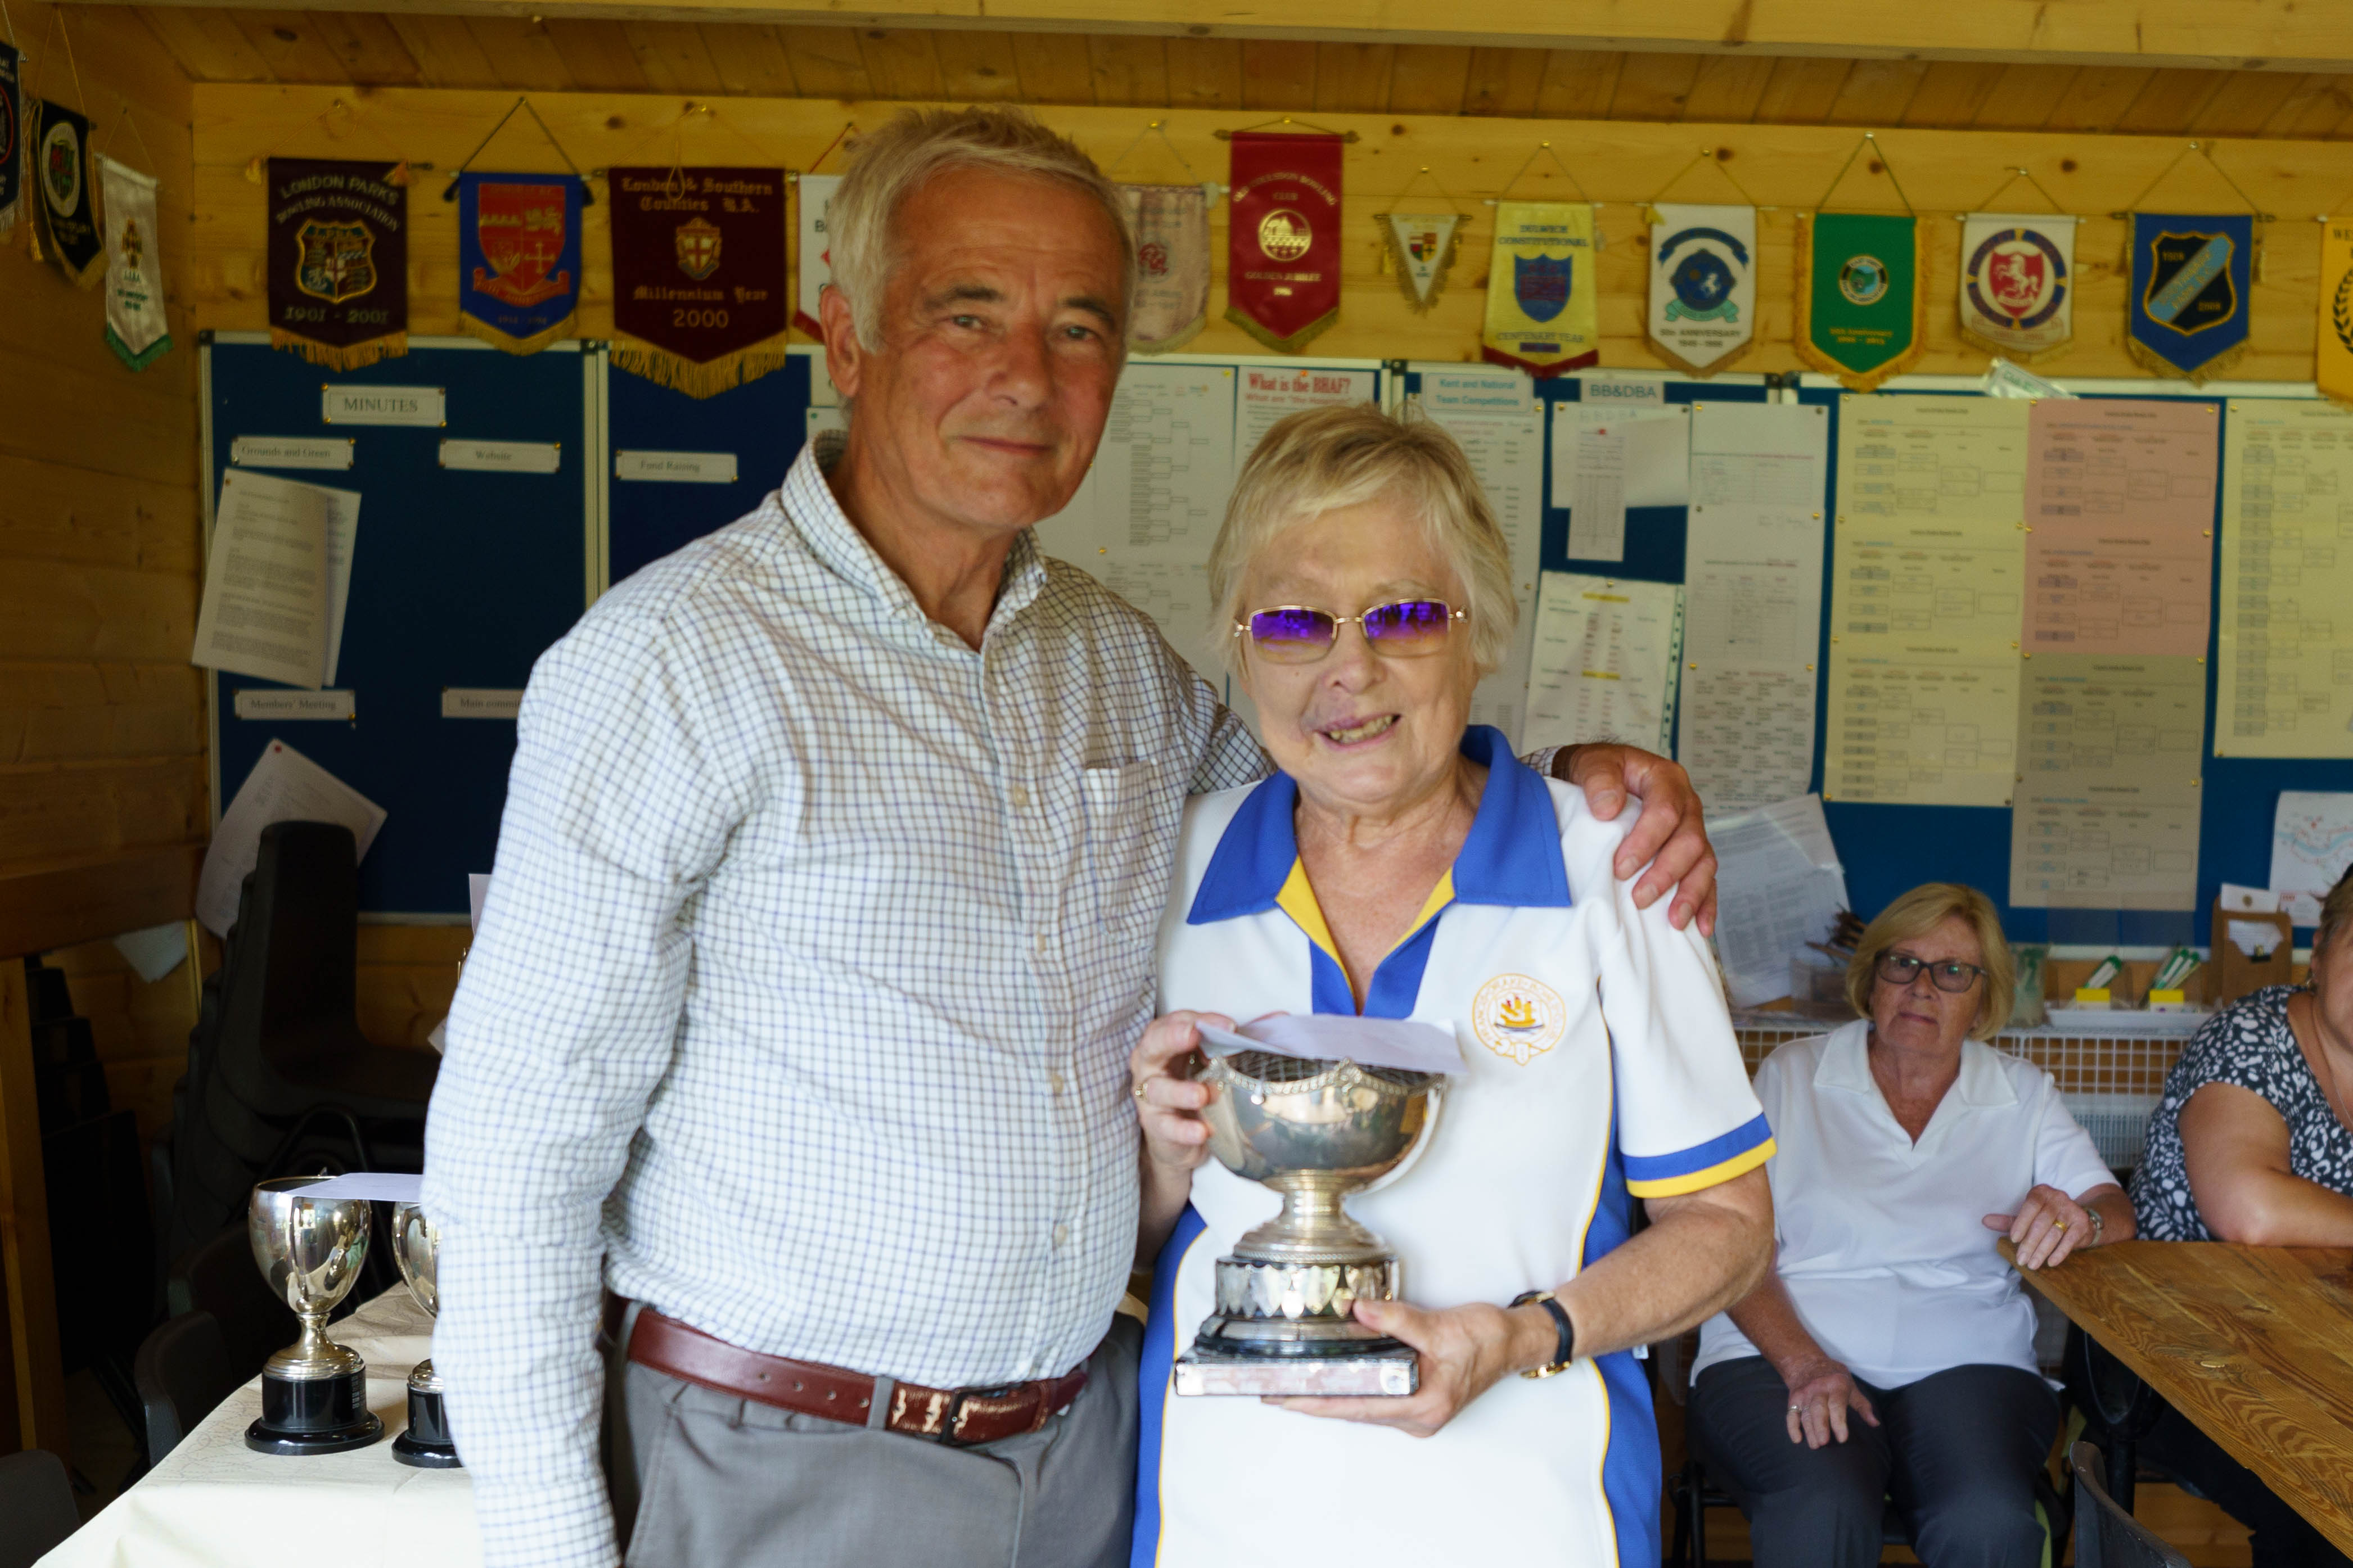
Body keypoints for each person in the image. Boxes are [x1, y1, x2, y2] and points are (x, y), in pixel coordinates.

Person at [423, 106, 1721, 1568]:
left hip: (1094, 1448)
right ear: (845, 339)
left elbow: (1354, 770)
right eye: (965, 313)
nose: (1026, 376)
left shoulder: (1112, 661)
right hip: (791, 1458)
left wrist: (1580, 787)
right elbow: (514, 1152)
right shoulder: (667, 662)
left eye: (1081, 327)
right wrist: (544, 1539)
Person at [1125, 404, 1775, 1566]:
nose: (1349, 666)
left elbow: (1726, 1228)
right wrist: (1159, 1161)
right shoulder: (1163, 870)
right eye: (1291, 618)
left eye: (1407, 613)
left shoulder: (1609, 865)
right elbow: (1118, 1245)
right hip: (1226, 1518)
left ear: (1482, 633)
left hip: (1530, 1520)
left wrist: (1524, 1335)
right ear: (1238, 644)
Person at [1686, 883, 2133, 1568]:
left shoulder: (2021, 1092)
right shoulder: (1791, 1074)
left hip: (1965, 1362)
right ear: (1871, 978)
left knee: (1986, 1520)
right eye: (1903, 963)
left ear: (1983, 999)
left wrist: (2083, 1219)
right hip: (1779, 1353)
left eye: (1953, 971)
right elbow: (1728, 1243)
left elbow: (2112, 1208)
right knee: (1819, 1507)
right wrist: (1805, 1364)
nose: (1922, 986)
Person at [2125, 866, 2353, 1568]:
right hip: (2188, 1351)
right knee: (2327, 1505)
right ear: (2318, 953)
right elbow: (2248, 1209)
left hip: (2325, 1352)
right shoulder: (2247, 1037)